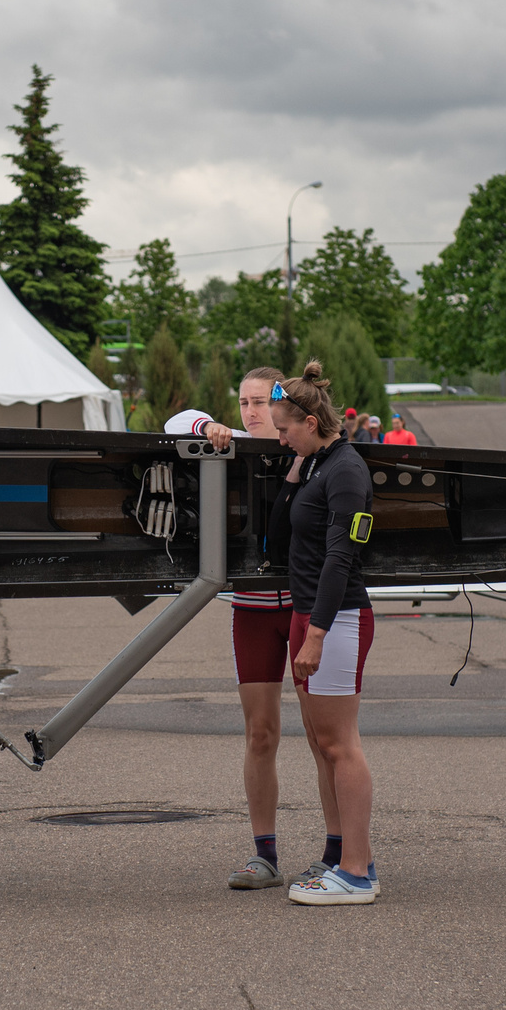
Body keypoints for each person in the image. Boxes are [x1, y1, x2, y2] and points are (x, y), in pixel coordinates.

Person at [169, 375, 326, 891]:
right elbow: (174, 424)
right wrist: (209, 425)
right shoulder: (229, 438)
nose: (253, 410)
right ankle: (265, 857)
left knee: (323, 737)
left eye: (261, 401)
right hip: (254, 608)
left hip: (304, 604)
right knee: (261, 734)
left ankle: (336, 853)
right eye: (244, 402)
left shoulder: (305, 445)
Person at [265, 362, 379, 904]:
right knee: (319, 743)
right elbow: (276, 536)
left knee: (341, 745)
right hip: (307, 613)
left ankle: (357, 874)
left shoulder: (347, 470)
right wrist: (293, 471)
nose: (280, 438)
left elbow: (340, 559)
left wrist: (316, 635)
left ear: (311, 421)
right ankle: (338, 853)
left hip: (335, 617)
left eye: (285, 429)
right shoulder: (313, 463)